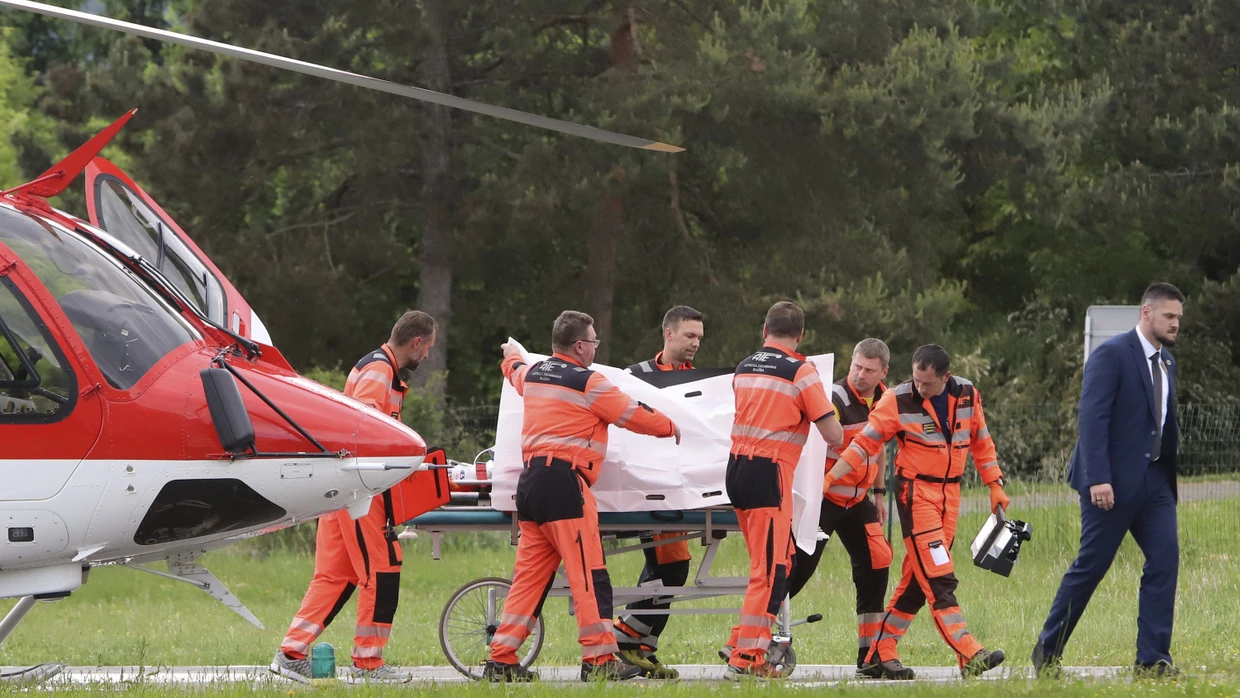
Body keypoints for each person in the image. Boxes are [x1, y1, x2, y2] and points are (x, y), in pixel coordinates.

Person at [484, 311, 682, 683]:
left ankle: (501, 658)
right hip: (564, 487)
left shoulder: (535, 375)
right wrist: (670, 425)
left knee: (529, 578)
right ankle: (599, 659)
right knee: (589, 575)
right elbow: (631, 415)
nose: (595, 348)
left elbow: (513, 370)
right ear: (579, 346)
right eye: (593, 342)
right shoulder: (588, 382)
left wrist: (510, 354)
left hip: (530, 488)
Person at [271, 310, 437, 684]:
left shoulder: (377, 367)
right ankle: (368, 664)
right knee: (381, 569)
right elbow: (363, 432)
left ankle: (290, 654)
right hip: (360, 494)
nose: (426, 356)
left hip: (342, 491)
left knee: (335, 576)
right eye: (427, 348)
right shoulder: (379, 372)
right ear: (416, 342)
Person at [1032, 283, 1185, 679]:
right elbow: (1092, 418)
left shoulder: (1167, 361)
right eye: (1169, 316)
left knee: (1165, 561)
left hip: (1155, 484)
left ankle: (1152, 661)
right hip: (1109, 485)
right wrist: (1099, 477)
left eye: (1179, 318)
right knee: (1091, 567)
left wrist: (1167, 475)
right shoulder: (1112, 355)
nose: (1175, 324)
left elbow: (1162, 422)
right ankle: (1046, 652)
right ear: (1147, 313)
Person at [839, 344, 1009, 680]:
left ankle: (878, 651)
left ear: (946, 377)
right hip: (915, 493)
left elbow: (982, 441)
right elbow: (865, 443)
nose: (919, 388)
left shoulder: (967, 394)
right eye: (916, 380)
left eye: (927, 383)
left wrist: (995, 484)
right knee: (939, 576)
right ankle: (969, 652)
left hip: (951, 495)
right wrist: (833, 477)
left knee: (919, 581)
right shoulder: (897, 400)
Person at [723, 301, 845, 680]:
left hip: (737, 471)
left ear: (764, 329)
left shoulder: (744, 367)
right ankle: (746, 660)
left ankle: (741, 641)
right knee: (771, 571)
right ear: (801, 336)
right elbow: (833, 435)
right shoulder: (801, 371)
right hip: (769, 475)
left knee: (776, 561)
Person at [785, 338, 894, 672]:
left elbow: (879, 447)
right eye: (856, 366)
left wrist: (879, 494)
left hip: (859, 500)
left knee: (878, 562)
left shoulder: (886, 401)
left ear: (883, 372)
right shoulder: (834, 398)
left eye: (869, 370)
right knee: (798, 566)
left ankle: (870, 655)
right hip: (824, 497)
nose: (860, 374)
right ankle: (750, 640)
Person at [615, 305, 705, 679]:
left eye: (699, 337)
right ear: (668, 334)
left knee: (669, 567)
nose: (696, 343)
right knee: (670, 566)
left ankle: (640, 647)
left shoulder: (701, 379)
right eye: (689, 336)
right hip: (647, 488)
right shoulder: (635, 376)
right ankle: (626, 636)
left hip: (683, 489)